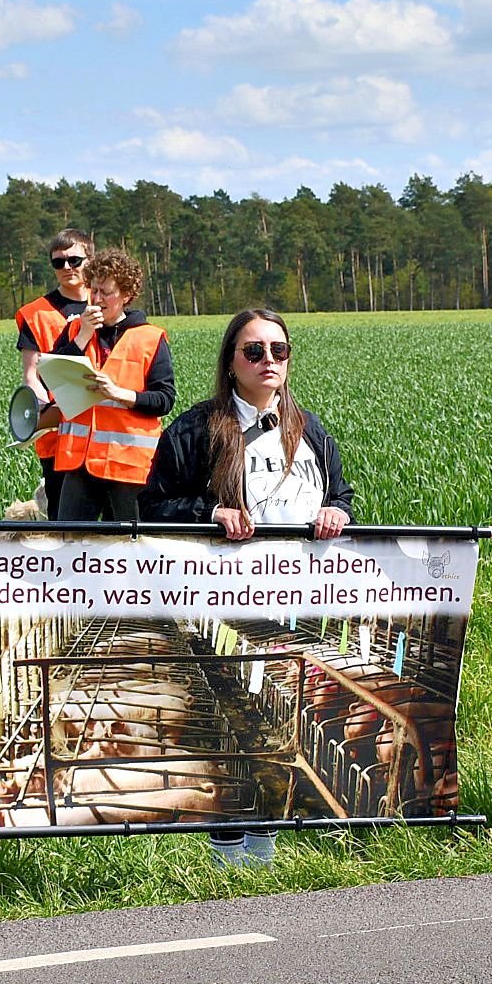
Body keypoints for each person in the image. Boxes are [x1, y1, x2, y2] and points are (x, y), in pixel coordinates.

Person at [145, 308, 353, 865]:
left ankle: (266, 840)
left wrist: (336, 510)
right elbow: (153, 505)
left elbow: (342, 494)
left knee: (284, 718)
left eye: (278, 351)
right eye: (254, 351)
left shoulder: (310, 431)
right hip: (224, 604)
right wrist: (210, 511)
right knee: (233, 716)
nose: (268, 361)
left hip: (301, 600)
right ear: (231, 362)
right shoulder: (196, 429)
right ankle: (225, 846)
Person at [46, 248, 175, 521]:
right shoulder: (75, 330)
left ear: (126, 296)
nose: (97, 299)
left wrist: (120, 394)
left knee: (131, 547)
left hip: (128, 466)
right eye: (93, 290)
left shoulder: (150, 338)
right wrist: (83, 335)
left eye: (106, 292)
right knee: (70, 542)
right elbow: (52, 376)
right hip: (79, 464)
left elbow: (164, 399)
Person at [15, 230, 92, 517]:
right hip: (58, 437)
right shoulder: (36, 314)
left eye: (74, 259)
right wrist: (45, 408)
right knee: (63, 520)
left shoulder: (110, 307)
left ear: (90, 260)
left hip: (107, 435)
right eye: (58, 263)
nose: (67, 268)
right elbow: (31, 375)